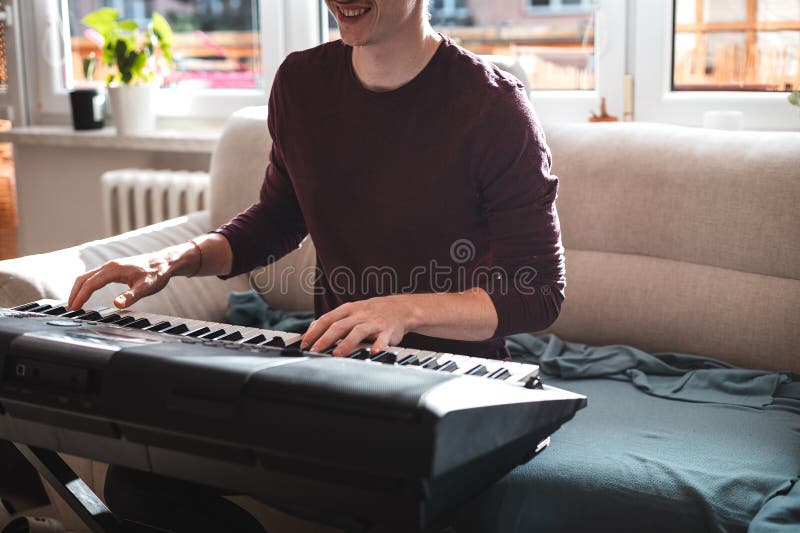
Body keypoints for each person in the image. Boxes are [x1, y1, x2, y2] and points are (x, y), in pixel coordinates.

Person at [66, 0, 565, 530]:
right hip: (336, 370)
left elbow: (537, 290)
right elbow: (278, 218)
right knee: (139, 482)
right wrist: (177, 258)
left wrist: (402, 311)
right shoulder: (301, 83)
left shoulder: (492, 106)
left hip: (456, 387)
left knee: (384, 495)